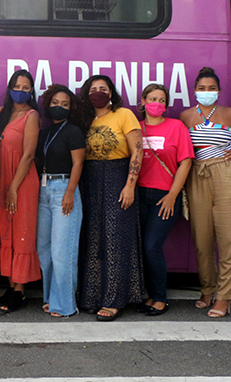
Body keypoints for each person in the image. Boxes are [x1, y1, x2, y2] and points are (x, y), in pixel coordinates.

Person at [179, 67, 231, 318]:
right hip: (197, 175)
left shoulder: (230, 114)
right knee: (202, 239)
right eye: (201, 88)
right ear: (194, 90)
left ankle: (224, 297)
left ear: (219, 90)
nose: (206, 92)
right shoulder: (185, 116)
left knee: (228, 239)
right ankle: (207, 289)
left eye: (211, 88)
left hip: (228, 175)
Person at [77, 75, 144, 321]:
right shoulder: (84, 120)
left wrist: (130, 185)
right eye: (93, 89)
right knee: (93, 238)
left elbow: (137, 150)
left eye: (103, 89)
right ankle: (92, 296)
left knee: (116, 239)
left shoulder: (124, 114)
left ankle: (114, 300)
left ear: (111, 93)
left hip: (118, 178)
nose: (98, 93)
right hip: (90, 180)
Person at [0, 70, 41, 313]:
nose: (21, 90)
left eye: (26, 87)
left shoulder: (32, 115)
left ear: (31, 91)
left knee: (21, 233)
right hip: (1, 180)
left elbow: (28, 155)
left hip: (21, 182)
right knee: (4, 232)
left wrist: (14, 188)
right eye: (17, 85)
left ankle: (20, 290)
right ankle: (11, 285)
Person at [135, 83, 193, 317]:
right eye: (152, 98)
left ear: (166, 105)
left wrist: (172, 196)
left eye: (161, 100)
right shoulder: (136, 128)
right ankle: (148, 295)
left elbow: (185, 162)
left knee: (152, 247)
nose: (156, 103)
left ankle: (160, 298)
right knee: (141, 248)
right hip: (139, 195)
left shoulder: (176, 127)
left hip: (164, 196)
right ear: (142, 101)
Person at [34, 84, 86, 318]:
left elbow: (78, 163)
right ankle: (49, 297)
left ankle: (65, 305)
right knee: (44, 250)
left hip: (64, 189)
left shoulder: (73, 131)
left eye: (65, 104)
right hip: (43, 191)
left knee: (62, 251)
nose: (59, 107)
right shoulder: (44, 132)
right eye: (55, 103)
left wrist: (70, 191)